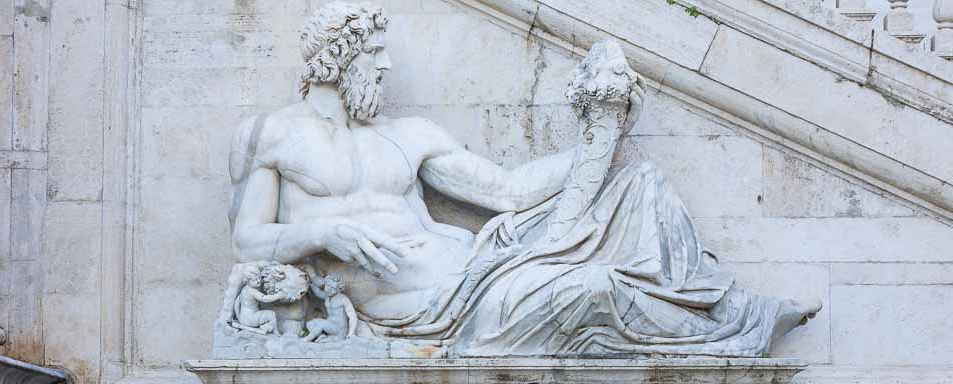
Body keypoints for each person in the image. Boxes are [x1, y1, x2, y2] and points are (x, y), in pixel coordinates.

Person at [226, 2, 820, 357]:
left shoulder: (406, 134)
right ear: (342, 54)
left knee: (638, 183)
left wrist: (598, 137)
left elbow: (507, 191)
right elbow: (247, 241)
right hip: (430, 309)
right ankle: (732, 329)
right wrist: (324, 233)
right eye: (376, 52)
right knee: (597, 288)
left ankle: (731, 311)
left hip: (486, 265)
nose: (385, 65)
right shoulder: (273, 135)